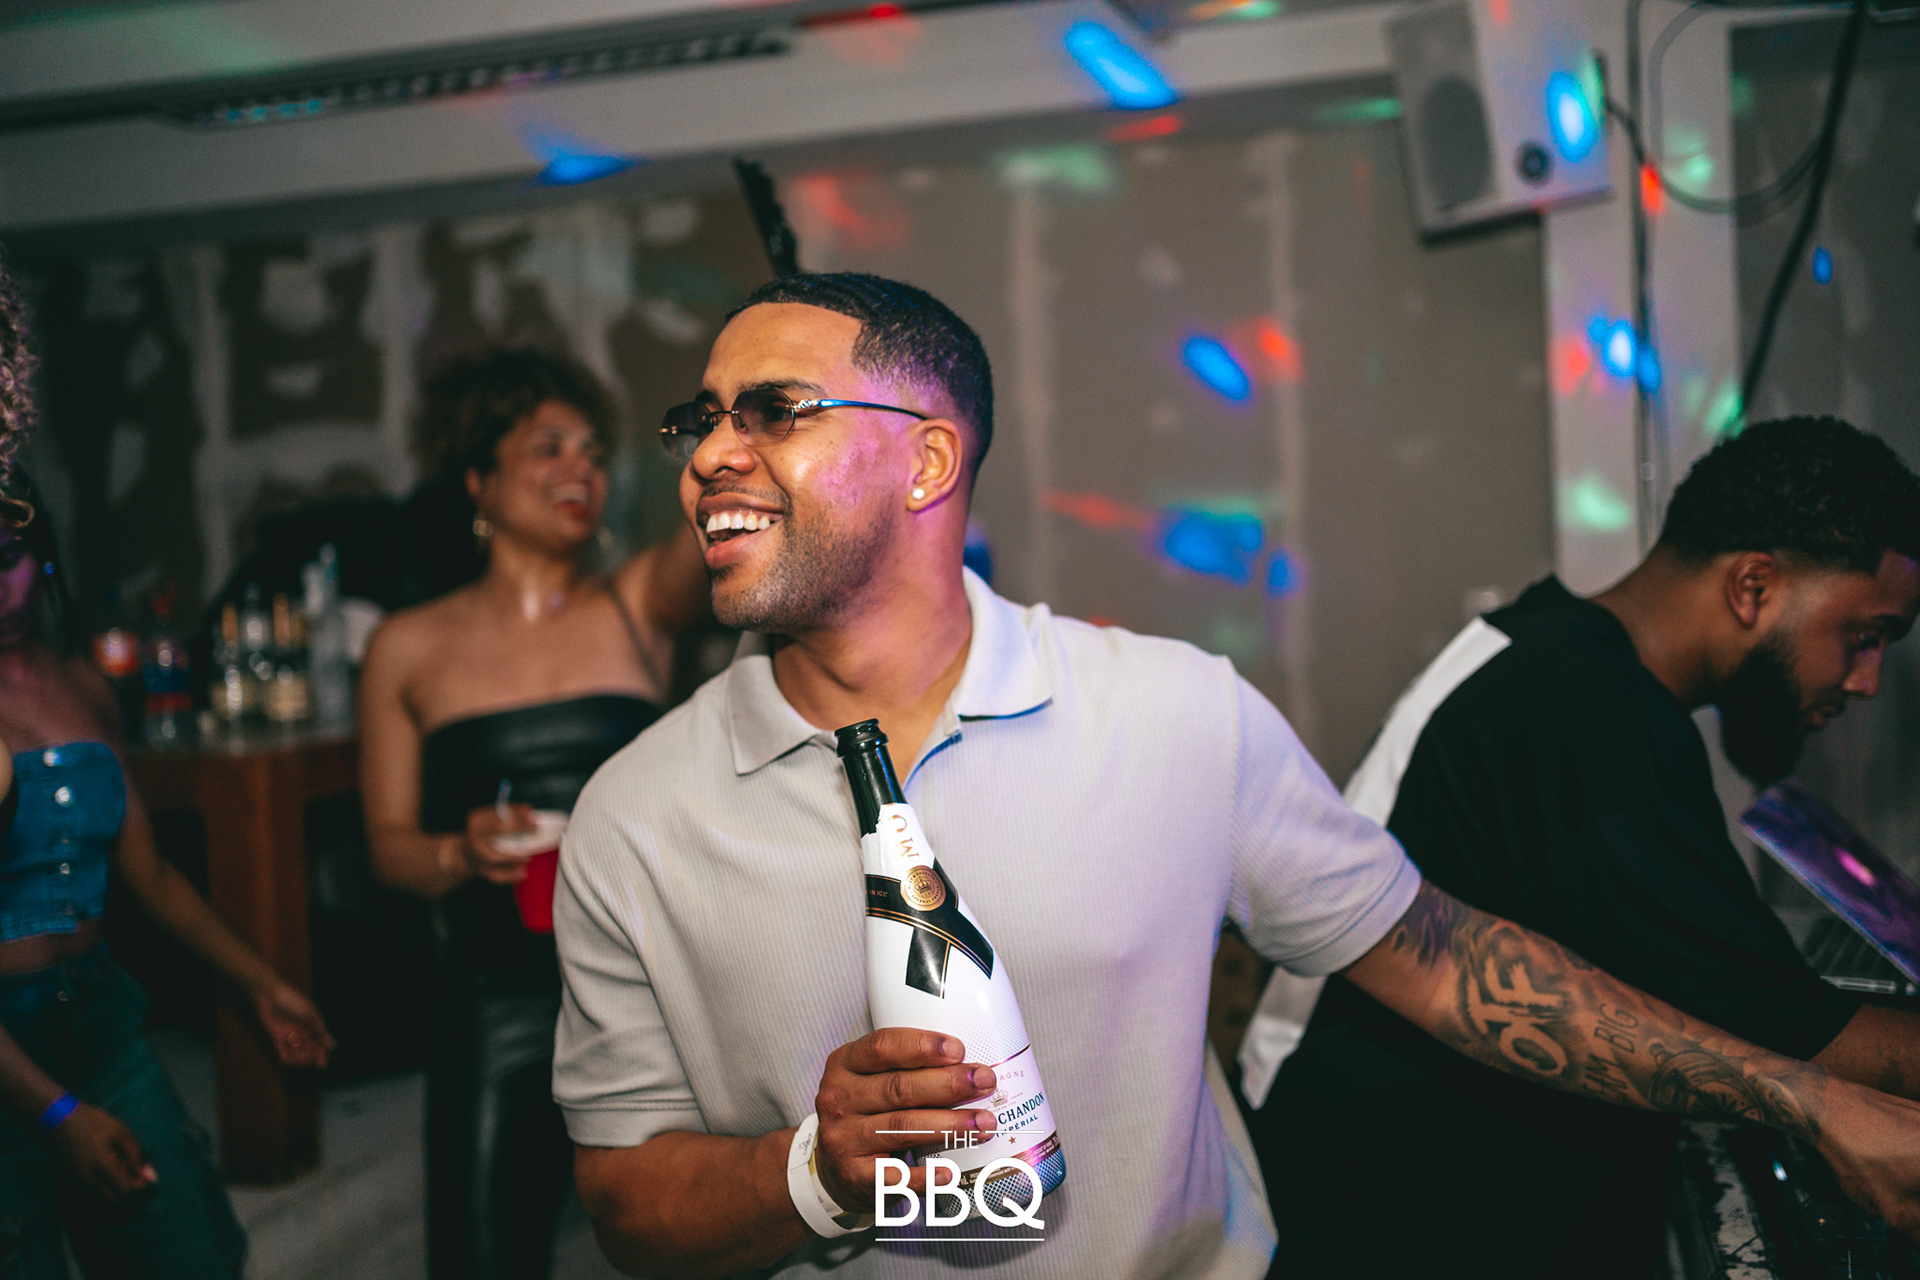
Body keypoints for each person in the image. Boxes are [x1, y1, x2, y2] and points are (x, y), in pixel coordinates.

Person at [550, 273, 1920, 1280]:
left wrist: (1797, 1092)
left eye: (774, 410)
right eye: (701, 420)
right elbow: (622, 1200)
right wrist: (810, 1168)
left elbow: (1451, 965)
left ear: (928, 459)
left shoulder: (1172, 713)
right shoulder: (634, 816)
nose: (710, 456)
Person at [1243, 416, 1920, 1279]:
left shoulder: (1546, 648)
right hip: (1382, 1217)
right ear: (1753, 586)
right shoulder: (1593, 717)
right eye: (1864, 636)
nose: (1866, 682)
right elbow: (1793, 1034)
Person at [358, 348, 706, 1280]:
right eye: (548, 447)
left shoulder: (639, 602)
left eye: (593, 453)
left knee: (698, 1242)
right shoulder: (404, 646)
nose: (579, 469)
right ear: (478, 480)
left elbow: (710, 519)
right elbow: (386, 848)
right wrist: (456, 853)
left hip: (652, 980)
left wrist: (729, 424)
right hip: (499, 995)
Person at [0, 481, 335, 1277]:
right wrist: (56, 1111)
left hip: (97, 1016)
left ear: (41, 553)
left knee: (188, 1249)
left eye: (7, 557)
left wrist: (261, 983)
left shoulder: (86, 686)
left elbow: (149, 875)